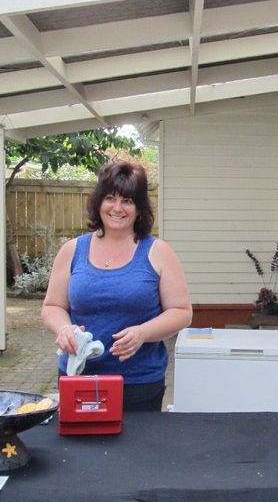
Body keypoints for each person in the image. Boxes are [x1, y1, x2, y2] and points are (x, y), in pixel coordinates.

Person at [42, 160, 192, 411]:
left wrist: (143, 333)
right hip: (78, 380)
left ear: (139, 209)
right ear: (98, 203)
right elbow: (52, 306)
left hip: (139, 383)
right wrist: (64, 329)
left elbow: (181, 312)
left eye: (128, 201)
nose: (117, 208)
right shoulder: (72, 250)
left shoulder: (159, 252)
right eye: (110, 198)